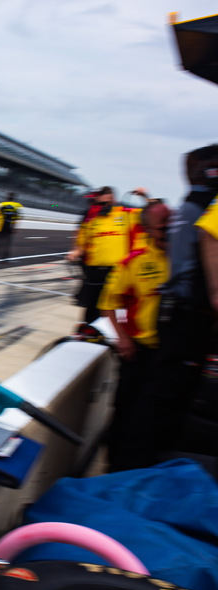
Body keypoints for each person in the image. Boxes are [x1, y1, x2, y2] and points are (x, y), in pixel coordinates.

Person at [126, 144, 218, 469]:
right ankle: (143, 466)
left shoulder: (191, 205)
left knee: (167, 395)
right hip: (188, 315)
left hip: (179, 313)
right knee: (165, 397)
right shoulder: (203, 209)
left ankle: (145, 462)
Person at [97, 199, 170, 472]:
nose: (168, 233)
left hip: (172, 354)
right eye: (162, 228)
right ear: (148, 229)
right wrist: (123, 338)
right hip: (140, 352)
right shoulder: (134, 262)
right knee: (126, 411)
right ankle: (114, 468)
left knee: (155, 418)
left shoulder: (188, 259)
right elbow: (107, 304)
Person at [66, 187, 132, 325]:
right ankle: (88, 329)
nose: (105, 205)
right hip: (94, 267)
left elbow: (148, 215)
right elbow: (80, 234)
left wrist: (145, 196)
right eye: (102, 201)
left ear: (114, 199)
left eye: (108, 201)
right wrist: (76, 250)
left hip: (118, 269)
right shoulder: (89, 214)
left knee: (115, 304)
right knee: (92, 304)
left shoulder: (124, 213)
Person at [0, 192, 22, 261]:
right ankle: (5, 257)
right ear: (14, 198)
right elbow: (17, 217)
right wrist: (14, 228)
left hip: (1, 225)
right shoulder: (17, 206)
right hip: (9, 225)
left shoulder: (2, 204)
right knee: (7, 242)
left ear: (7, 197)